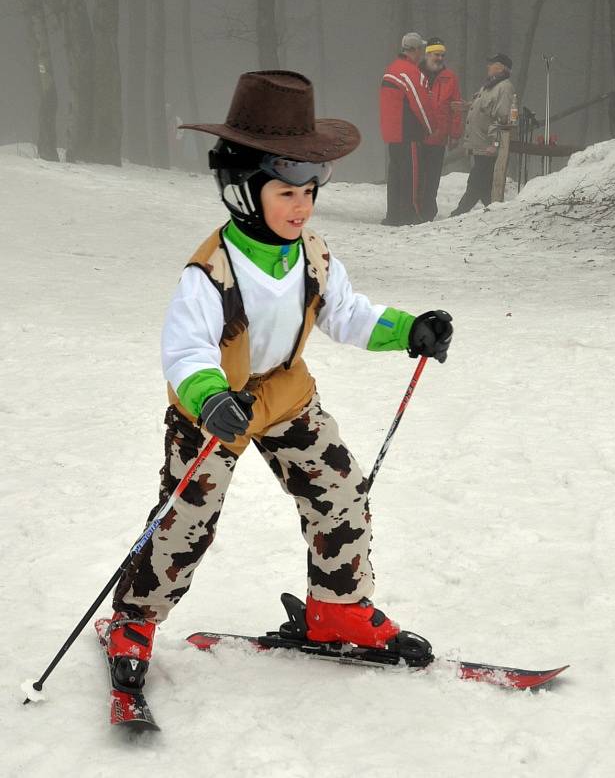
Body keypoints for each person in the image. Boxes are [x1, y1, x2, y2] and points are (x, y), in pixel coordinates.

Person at [101, 70, 454, 693]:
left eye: (311, 190)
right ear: (243, 189)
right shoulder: (211, 270)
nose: (303, 206)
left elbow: (346, 312)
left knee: (340, 490)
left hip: (287, 395)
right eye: (287, 192)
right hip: (218, 407)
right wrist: (209, 398)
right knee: (188, 517)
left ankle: (337, 606)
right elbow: (185, 350)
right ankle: (134, 619)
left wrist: (407, 329)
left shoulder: (313, 254)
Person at [379, 32, 435, 226]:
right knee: (411, 175)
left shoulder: (391, 69)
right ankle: (410, 214)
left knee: (395, 174)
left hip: (393, 134)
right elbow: (420, 105)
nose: (423, 53)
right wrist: (429, 128)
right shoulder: (410, 72)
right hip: (408, 133)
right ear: (416, 50)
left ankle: (393, 214)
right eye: (422, 49)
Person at [450, 53, 515, 217]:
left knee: (476, 181)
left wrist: (495, 144)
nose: (488, 66)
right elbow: (484, 107)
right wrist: (467, 106)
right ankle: (495, 213)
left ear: (501, 68)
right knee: (484, 185)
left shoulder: (504, 87)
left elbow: (503, 118)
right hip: (480, 145)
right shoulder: (490, 86)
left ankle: (459, 213)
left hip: (488, 146)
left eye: (492, 64)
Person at [417, 37, 463, 221]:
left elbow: (456, 106)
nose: (440, 58)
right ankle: (416, 207)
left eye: (442, 55)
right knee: (418, 174)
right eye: (436, 54)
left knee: (433, 175)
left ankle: (428, 210)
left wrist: (455, 134)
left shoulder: (450, 77)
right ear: (427, 54)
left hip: (439, 136)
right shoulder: (415, 73)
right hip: (418, 135)